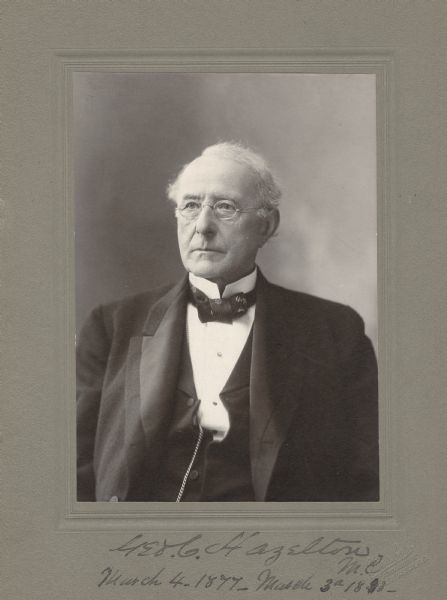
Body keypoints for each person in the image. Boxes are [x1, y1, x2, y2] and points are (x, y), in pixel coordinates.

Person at [76, 142, 379, 502]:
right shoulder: (112, 327)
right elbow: (75, 469)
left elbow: (366, 478)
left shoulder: (335, 332)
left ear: (267, 225)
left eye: (225, 207)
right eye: (190, 206)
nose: (202, 226)